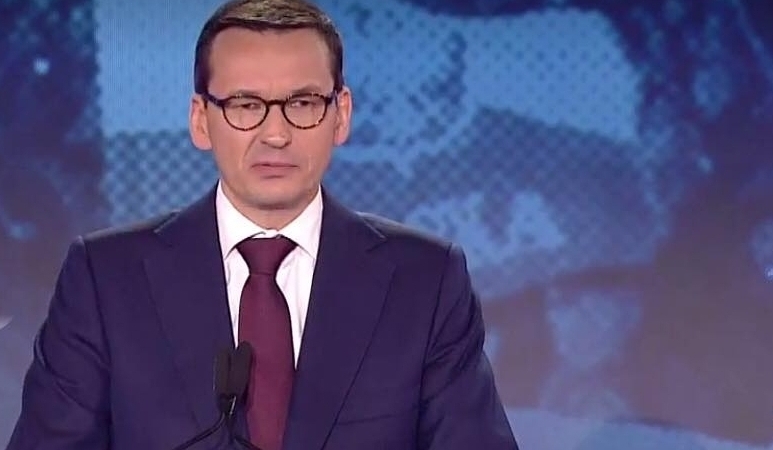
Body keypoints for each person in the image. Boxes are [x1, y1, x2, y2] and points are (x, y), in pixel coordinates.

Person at [7, 0, 518, 449]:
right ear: (201, 120)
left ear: (341, 115)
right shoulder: (105, 279)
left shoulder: (425, 281)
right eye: (245, 105)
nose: (275, 133)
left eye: (302, 103)